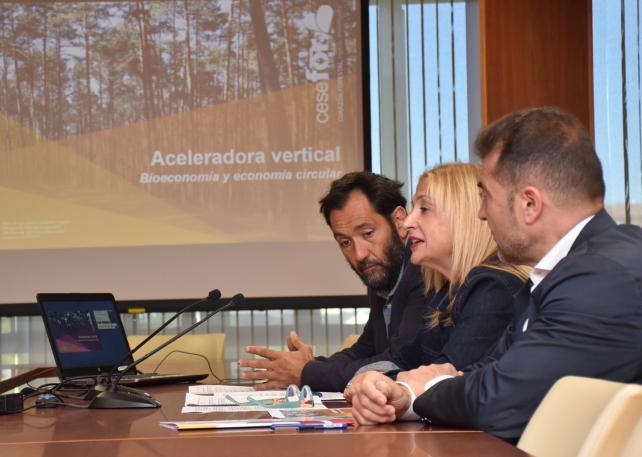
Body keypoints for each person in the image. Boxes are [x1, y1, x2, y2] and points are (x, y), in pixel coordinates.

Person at [347, 107, 642, 442]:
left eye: (486, 195)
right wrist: (408, 398)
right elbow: (490, 371)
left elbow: (501, 398)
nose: (481, 213)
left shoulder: (600, 278)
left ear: (530, 204)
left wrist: (423, 390)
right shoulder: (565, 271)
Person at [344, 163, 528, 402]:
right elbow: (404, 362)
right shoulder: (445, 293)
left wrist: (383, 383)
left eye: (424, 209)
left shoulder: (493, 289)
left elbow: (444, 381)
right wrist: (371, 379)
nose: (408, 222)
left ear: (463, 216)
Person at [238, 172, 428, 392]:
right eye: (345, 242)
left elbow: (398, 363)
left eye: (367, 233)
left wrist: (306, 372)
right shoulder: (385, 273)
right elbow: (365, 350)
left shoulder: (423, 272)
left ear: (399, 221)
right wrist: (306, 366)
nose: (359, 254)